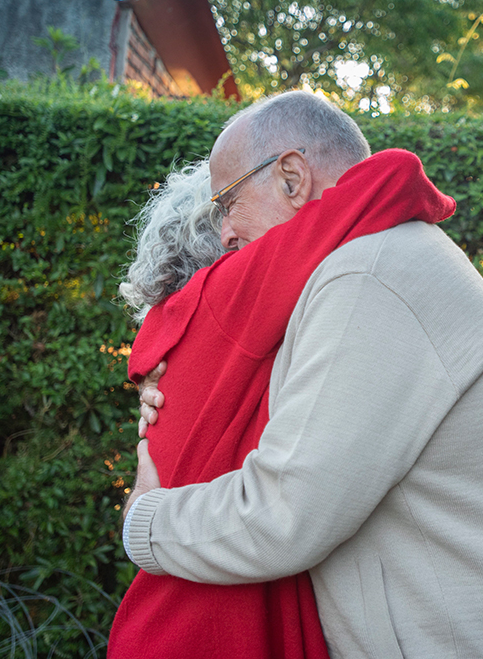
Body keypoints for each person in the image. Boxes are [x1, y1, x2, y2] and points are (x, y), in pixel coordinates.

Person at [124, 91, 483, 658]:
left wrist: (145, 518)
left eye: (227, 203)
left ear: (291, 177)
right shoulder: (377, 260)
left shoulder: (369, 276)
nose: (225, 234)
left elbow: (285, 515)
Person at [108, 159, 329, 659]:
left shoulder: (178, 340)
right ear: (224, 246)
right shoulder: (223, 304)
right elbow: (333, 217)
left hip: (165, 625)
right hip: (213, 633)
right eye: (229, 210)